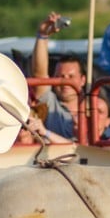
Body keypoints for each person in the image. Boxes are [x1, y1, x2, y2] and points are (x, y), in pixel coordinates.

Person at [32, 14, 88, 142]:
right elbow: (39, 75)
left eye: (71, 77)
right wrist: (42, 35)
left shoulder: (96, 108)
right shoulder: (49, 103)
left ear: (83, 80)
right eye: (60, 77)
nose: (66, 82)